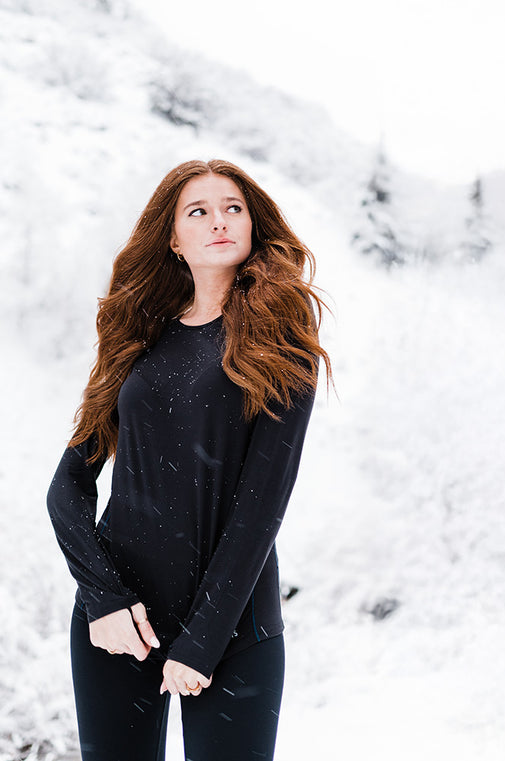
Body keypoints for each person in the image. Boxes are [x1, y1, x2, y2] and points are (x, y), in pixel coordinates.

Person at [46, 159, 331, 761]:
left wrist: (202, 642)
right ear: (173, 238)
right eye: (197, 211)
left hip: (233, 627)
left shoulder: (282, 337)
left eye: (233, 208)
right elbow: (68, 487)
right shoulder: (138, 337)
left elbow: (262, 507)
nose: (219, 221)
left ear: (254, 226)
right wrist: (103, 600)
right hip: (121, 621)